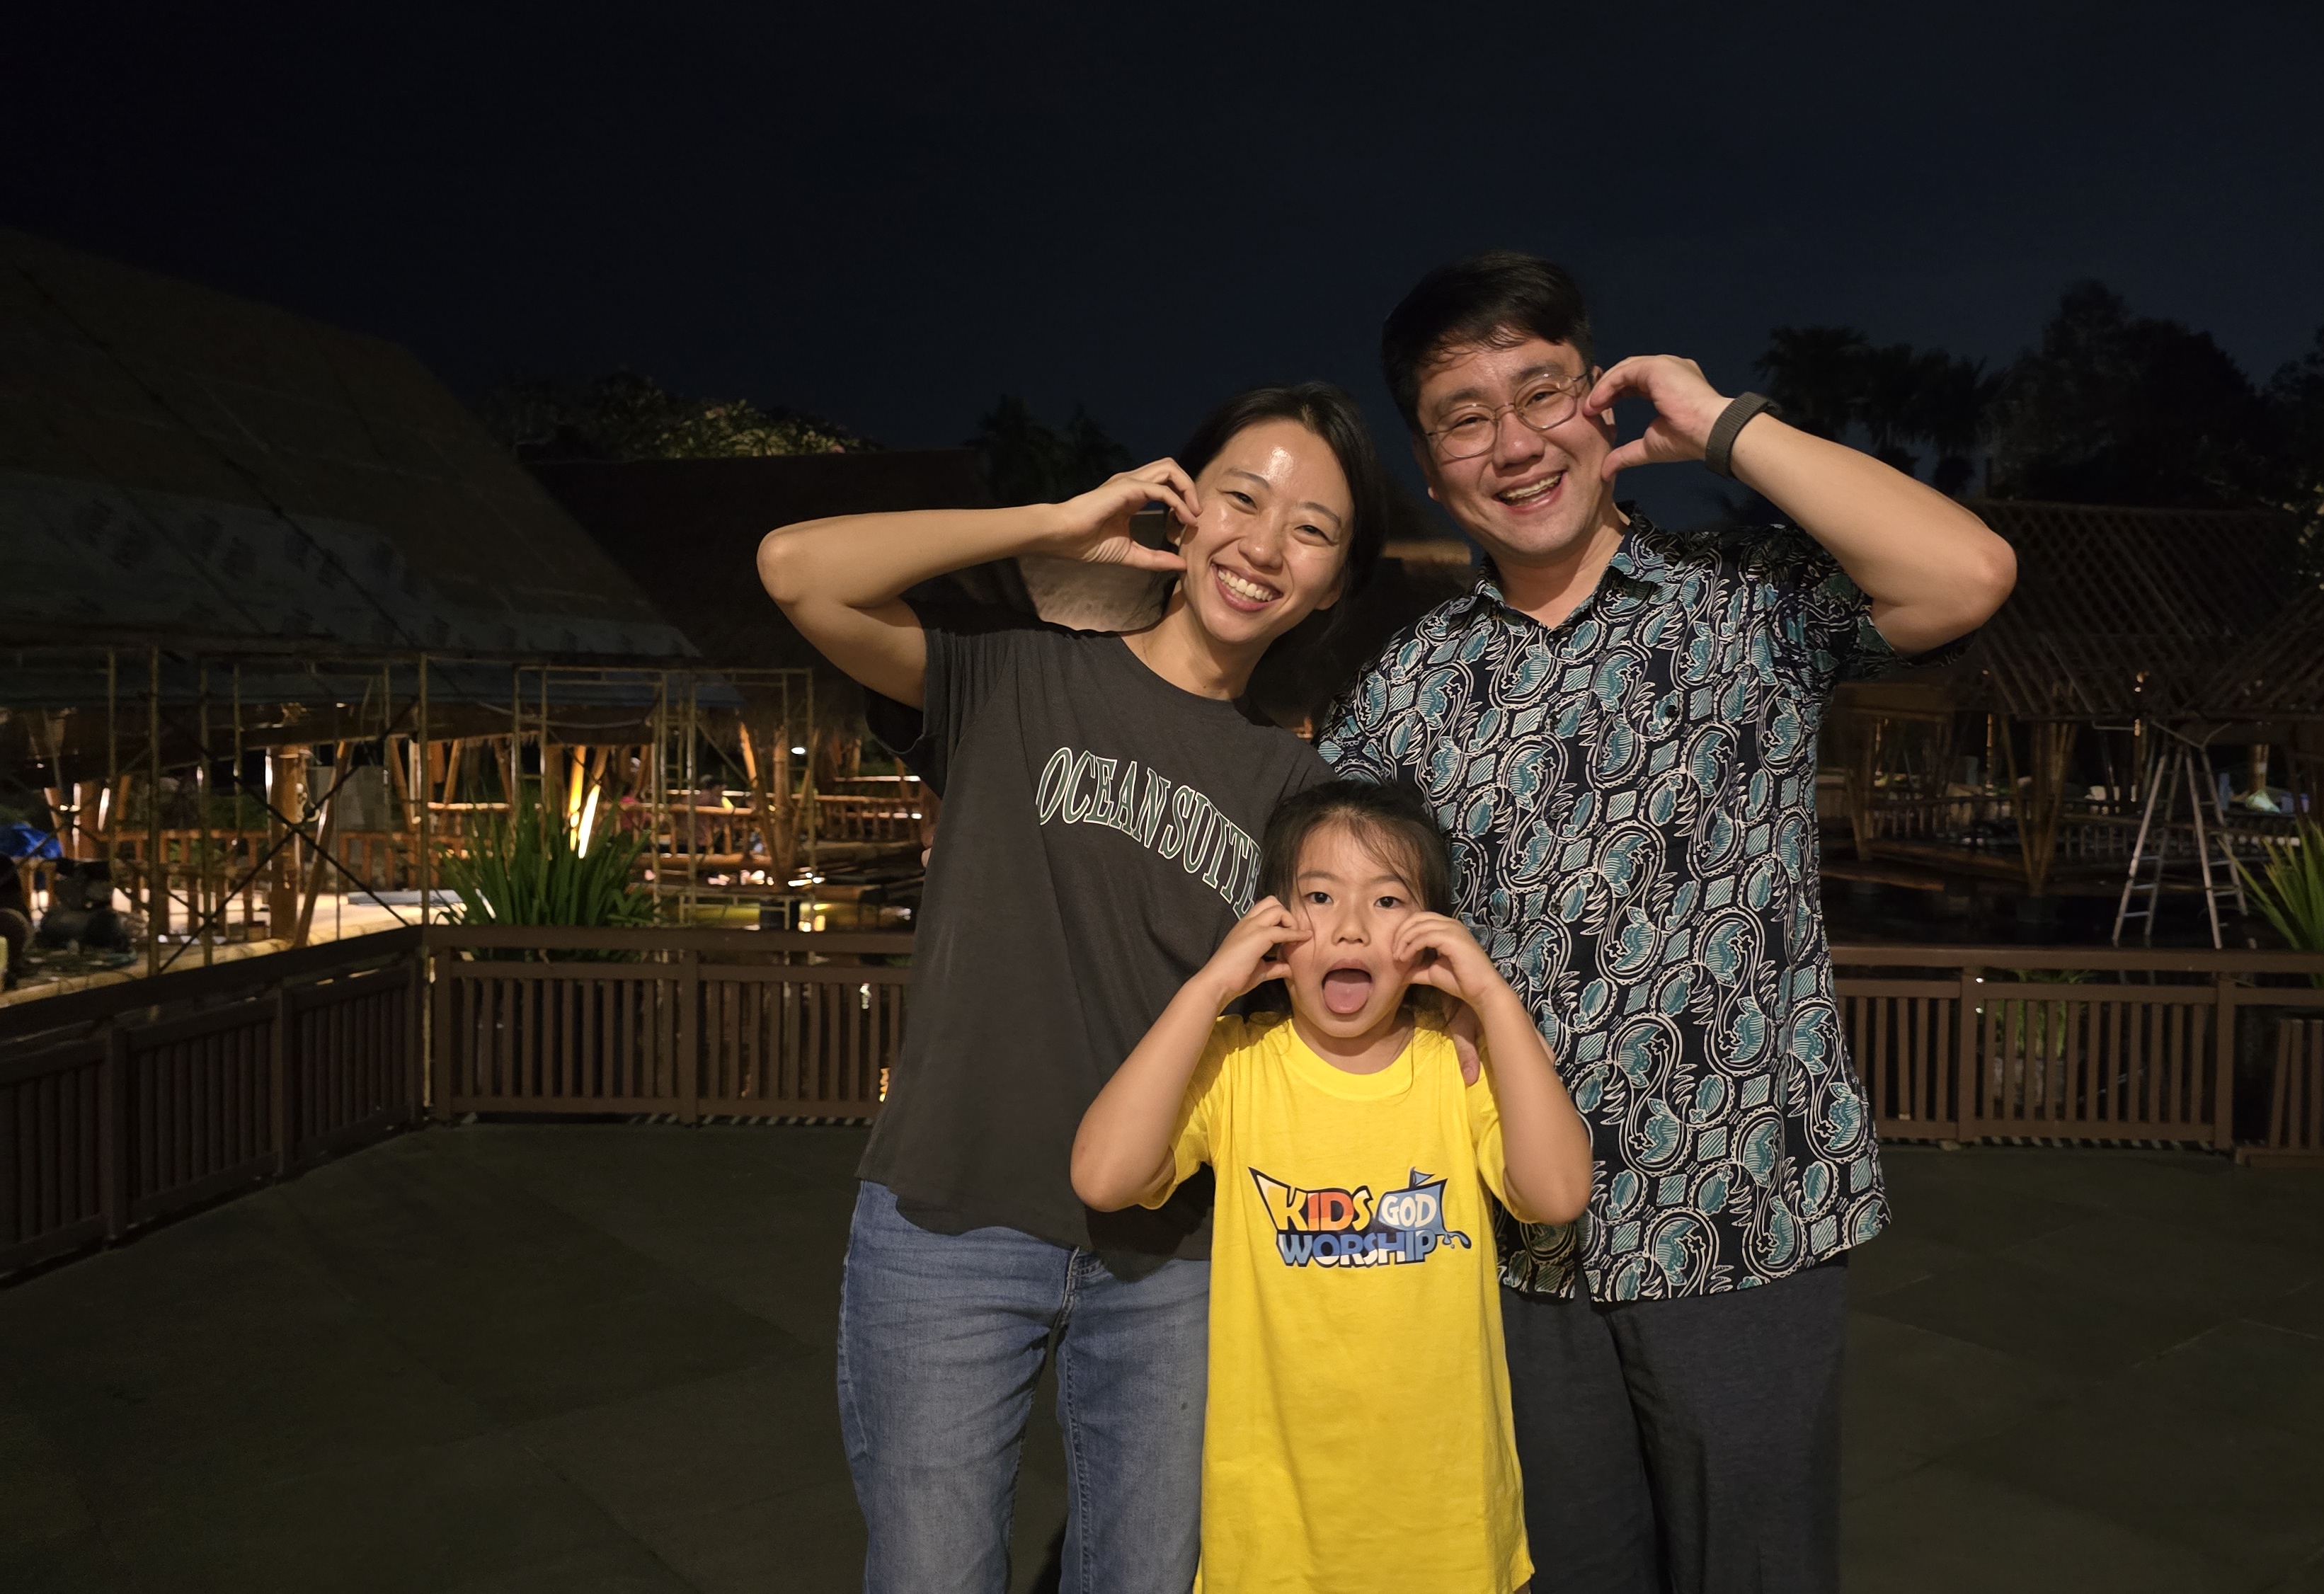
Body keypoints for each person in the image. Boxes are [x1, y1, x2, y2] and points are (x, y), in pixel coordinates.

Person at [1319, 253, 2018, 1592]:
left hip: (1745, 1213)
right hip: (1515, 1242)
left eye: (1544, 394)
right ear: (1431, 470)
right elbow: (1340, 919)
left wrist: (1726, 426)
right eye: (1466, 417)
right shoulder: (1407, 687)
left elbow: (1968, 571)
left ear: (1602, 401)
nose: (1515, 443)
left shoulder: (1750, 600)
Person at [757, 382, 1391, 1593]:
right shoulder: (1018, 679)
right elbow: (796, 570)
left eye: (1312, 529)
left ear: (1331, 583)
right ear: (1181, 505)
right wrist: (1053, 523)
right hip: (951, 1216)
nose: (1264, 545)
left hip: (1170, 1252)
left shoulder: (1299, 795)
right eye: (1241, 498)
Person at [1072, 779, 1593, 1594]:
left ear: (1429, 934)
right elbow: (1104, 1175)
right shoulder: (1236, 1061)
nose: (1350, 924)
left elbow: (1556, 1192)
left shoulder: (1456, 1065)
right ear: (1274, 922)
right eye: (1319, 895)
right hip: (1274, 1550)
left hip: (1450, 1543)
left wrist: (1492, 998)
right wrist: (1209, 985)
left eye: (1388, 900)